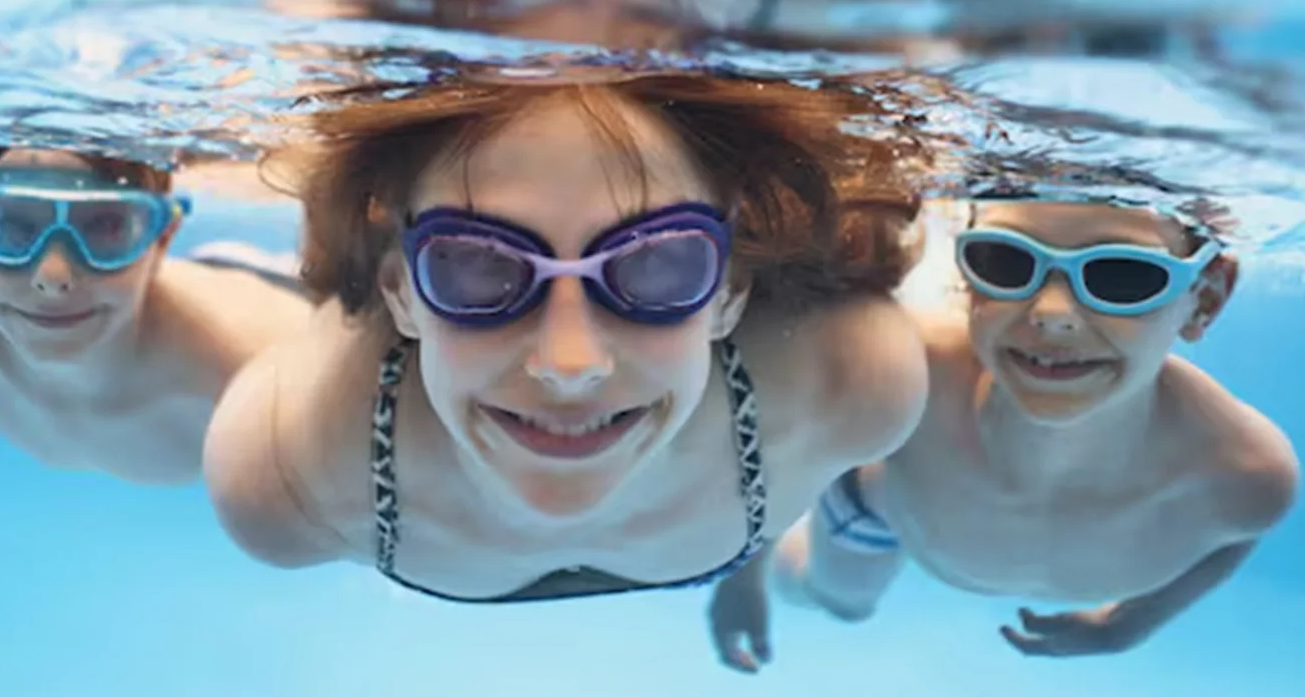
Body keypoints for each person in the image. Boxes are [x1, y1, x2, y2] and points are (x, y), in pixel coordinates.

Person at [202, 66, 932, 602]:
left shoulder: (855, 381)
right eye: (478, 268)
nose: (568, 364)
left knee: (840, 602)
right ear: (400, 293)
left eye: (655, 266)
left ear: (729, 293)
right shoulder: (284, 474)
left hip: (755, 512)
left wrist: (755, 550)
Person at [707, 198, 1298, 668]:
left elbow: (1235, 534)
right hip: (875, 508)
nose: (1051, 313)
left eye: (1122, 275)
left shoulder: (1244, 471)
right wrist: (742, 575)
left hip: (931, 521)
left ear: (1206, 299)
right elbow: (786, 441)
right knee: (841, 603)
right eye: (1006, 262)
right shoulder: (909, 363)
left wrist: (1127, 626)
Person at [0, 145, 313, 485]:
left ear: (162, 240)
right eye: (12, 226)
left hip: (299, 293)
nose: (53, 277)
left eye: (105, 226)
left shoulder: (252, 375)